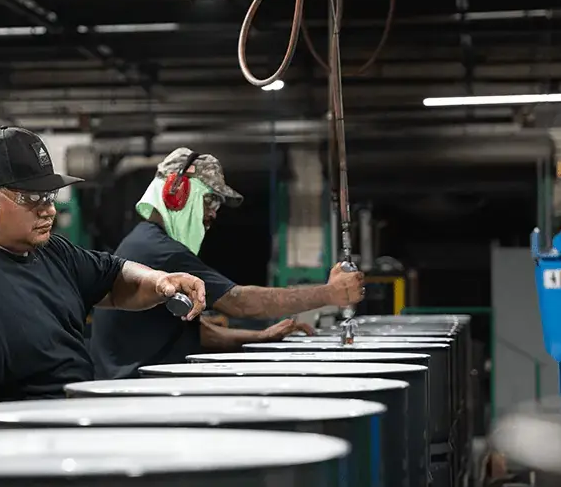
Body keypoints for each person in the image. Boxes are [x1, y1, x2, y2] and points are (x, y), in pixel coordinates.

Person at [0, 127, 208, 434]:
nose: (49, 210)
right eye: (31, 198)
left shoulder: (50, 251)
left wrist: (160, 281)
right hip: (12, 468)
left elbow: (113, 277)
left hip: (66, 440)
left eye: (49, 195)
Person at [89, 148, 366, 380]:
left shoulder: (145, 241)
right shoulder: (160, 252)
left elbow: (193, 332)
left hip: (136, 388)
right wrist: (330, 294)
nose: (212, 215)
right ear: (177, 193)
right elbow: (241, 302)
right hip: (139, 397)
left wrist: (258, 337)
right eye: (210, 201)